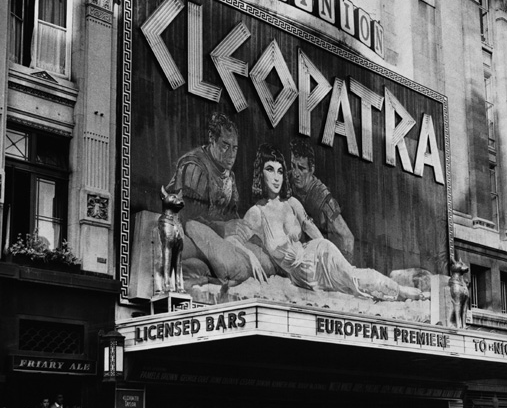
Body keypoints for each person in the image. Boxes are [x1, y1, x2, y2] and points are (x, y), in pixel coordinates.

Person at [231, 143, 427, 301]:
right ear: (260, 173)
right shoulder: (256, 213)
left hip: (319, 256)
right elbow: (232, 239)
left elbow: (312, 230)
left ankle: (401, 290)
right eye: (270, 170)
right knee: (353, 287)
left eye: (280, 171)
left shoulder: (292, 203)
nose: (276, 177)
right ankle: (398, 289)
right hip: (302, 275)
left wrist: (336, 256)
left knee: (354, 277)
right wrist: (251, 257)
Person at [167, 113, 270, 284]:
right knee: (235, 267)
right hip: (191, 232)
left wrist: (247, 235)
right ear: (212, 140)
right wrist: (224, 228)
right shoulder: (195, 166)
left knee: (263, 260)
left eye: (235, 148)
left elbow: (232, 215)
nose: (231, 154)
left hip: (217, 236)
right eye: (225, 145)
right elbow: (188, 218)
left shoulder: (229, 176)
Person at [289, 137, 354, 263]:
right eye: (293, 166)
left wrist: (346, 270)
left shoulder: (325, 199)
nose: (295, 173)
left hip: (318, 257)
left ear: (311, 169)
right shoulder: (286, 179)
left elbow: (347, 237)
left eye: (301, 168)